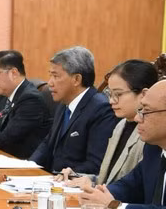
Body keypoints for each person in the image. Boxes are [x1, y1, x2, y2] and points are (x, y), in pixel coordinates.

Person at [79, 80, 166, 209]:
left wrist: (116, 208)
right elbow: (130, 185)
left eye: (145, 111)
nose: (137, 118)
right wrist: (100, 195)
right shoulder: (153, 149)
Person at [58, 60, 158, 188]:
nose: (111, 101)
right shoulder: (120, 125)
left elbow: (136, 188)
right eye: (110, 94)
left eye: (118, 94)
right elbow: (109, 179)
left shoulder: (151, 134)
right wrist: (80, 177)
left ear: (143, 94)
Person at [30, 46, 118, 175]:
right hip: (51, 181)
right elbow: (48, 143)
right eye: (50, 76)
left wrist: (63, 175)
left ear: (76, 79)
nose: (50, 83)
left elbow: (95, 164)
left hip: (73, 185)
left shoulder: (101, 109)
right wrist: (29, 166)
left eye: (56, 76)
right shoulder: (64, 102)